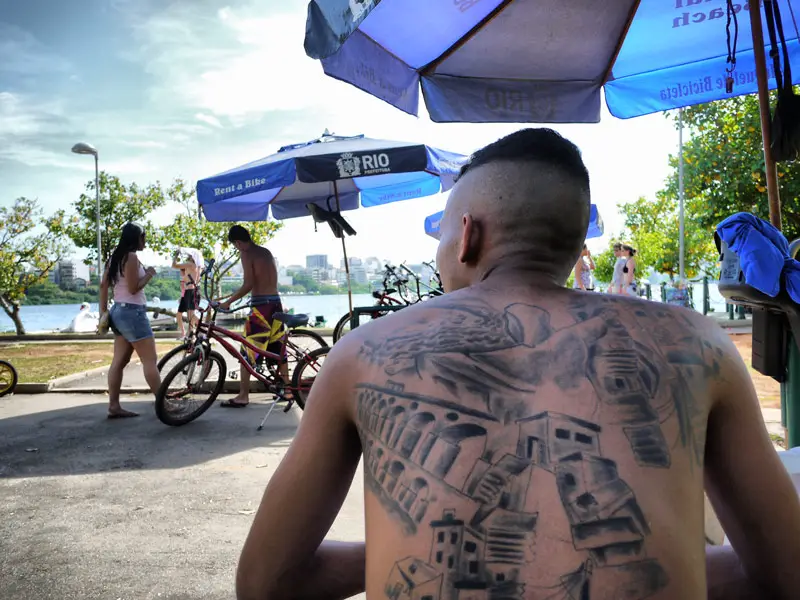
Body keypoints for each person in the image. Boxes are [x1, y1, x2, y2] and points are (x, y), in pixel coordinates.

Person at [235, 129, 800, 600]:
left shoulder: (364, 352)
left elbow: (265, 582)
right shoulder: (697, 344)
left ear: (467, 236)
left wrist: (423, 555)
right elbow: (783, 573)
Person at [219, 225, 288, 407]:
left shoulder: (247, 253)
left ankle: (243, 395)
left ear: (238, 242)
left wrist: (228, 302)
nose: (237, 248)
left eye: (235, 245)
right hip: (275, 304)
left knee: (247, 352)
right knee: (278, 349)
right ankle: (288, 390)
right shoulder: (265, 252)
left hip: (261, 309)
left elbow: (249, 283)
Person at [99, 222, 160, 419]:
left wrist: (103, 312)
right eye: (144, 237)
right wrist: (149, 274)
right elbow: (134, 287)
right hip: (132, 313)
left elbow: (103, 285)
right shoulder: (131, 257)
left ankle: (114, 406)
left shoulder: (115, 258)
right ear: (137, 238)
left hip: (118, 311)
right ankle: (164, 405)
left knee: (119, 361)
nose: (146, 241)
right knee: (150, 360)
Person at [172, 249, 201, 339]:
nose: (188, 256)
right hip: (192, 290)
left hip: (191, 290)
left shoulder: (190, 264)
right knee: (189, 315)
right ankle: (191, 334)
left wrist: (176, 255)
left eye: (190, 255)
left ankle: (198, 331)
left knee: (190, 315)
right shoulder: (197, 265)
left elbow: (174, 265)